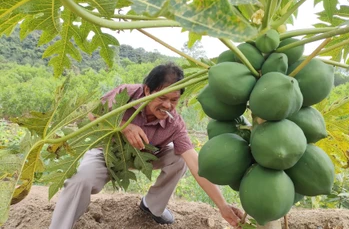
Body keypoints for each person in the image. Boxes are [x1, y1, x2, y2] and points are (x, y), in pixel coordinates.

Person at [49, 62, 243, 229]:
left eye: (174, 100)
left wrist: (223, 206)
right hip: (107, 155)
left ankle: (152, 206)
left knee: (180, 158)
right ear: (147, 90)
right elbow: (92, 116)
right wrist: (124, 127)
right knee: (79, 181)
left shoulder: (174, 123)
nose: (167, 106)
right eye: (162, 97)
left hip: (146, 157)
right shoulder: (126, 95)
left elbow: (196, 163)